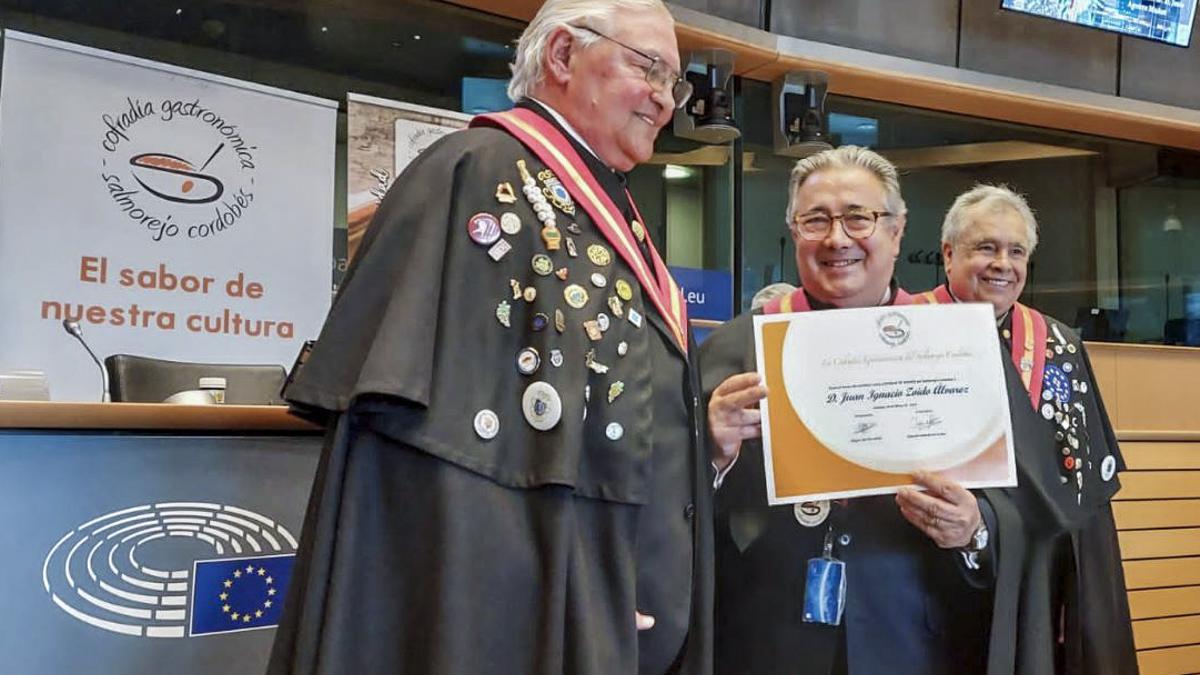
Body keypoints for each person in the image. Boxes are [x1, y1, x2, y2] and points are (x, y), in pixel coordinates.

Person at [266, 1, 713, 673]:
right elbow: (453, 457)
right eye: (648, 67)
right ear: (563, 55)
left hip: (610, 611)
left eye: (672, 81)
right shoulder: (478, 175)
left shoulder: (599, 204)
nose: (664, 99)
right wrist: (572, 586)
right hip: (532, 620)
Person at [699, 146, 992, 675]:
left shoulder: (958, 345)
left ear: (897, 231)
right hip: (765, 644)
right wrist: (712, 454)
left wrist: (974, 528)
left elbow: (1014, 509)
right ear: (794, 233)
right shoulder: (736, 349)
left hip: (915, 642)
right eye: (816, 220)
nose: (837, 239)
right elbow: (666, 505)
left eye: (859, 218)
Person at [914, 184, 1137, 675]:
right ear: (948, 254)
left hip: (1039, 570)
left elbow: (1086, 489)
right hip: (934, 567)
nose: (1003, 264)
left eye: (1016, 252)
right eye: (986, 248)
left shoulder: (1060, 343)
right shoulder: (905, 329)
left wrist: (1083, 594)